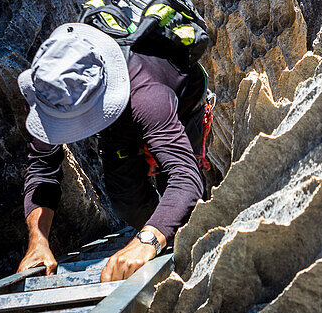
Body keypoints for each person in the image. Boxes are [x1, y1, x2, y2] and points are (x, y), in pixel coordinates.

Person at [15, 21, 207, 282]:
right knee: (128, 203)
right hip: (121, 121)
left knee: (184, 216)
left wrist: (147, 241)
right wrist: (38, 242)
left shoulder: (148, 95)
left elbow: (184, 177)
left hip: (180, 108)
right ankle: (157, 237)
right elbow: (42, 167)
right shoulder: (55, 86)